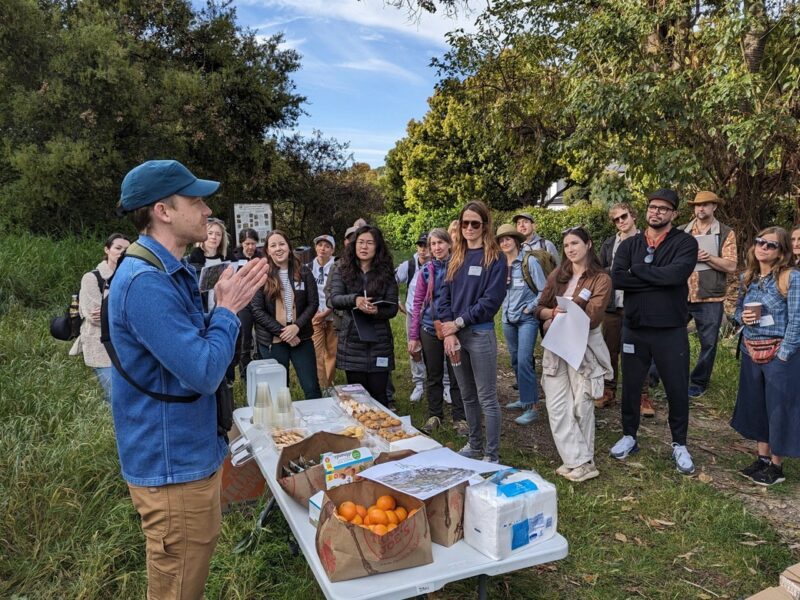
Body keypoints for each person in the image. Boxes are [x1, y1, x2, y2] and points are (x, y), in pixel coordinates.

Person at [109, 159, 268, 598]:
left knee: (186, 575)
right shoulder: (145, 282)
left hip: (186, 454)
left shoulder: (168, 272)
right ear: (163, 210)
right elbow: (201, 370)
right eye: (195, 200)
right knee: (178, 585)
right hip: (171, 466)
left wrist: (217, 305)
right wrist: (227, 310)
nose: (206, 210)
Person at [610, 188, 699, 475]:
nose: (656, 212)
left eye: (663, 208)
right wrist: (655, 278)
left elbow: (676, 275)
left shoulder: (685, 243)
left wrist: (639, 273)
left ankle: (679, 443)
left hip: (670, 329)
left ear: (673, 213)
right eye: (652, 207)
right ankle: (629, 435)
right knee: (631, 386)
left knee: (676, 388)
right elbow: (617, 278)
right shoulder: (629, 245)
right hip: (635, 328)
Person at [535, 226, 612, 481]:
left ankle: (583, 461)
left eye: (575, 243)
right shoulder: (558, 275)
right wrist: (552, 314)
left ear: (588, 244)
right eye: (567, 245)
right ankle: (576, 460)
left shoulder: (601, 279)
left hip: (584, 346)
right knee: (556, 404)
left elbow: (593, 317)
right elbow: (540, 308)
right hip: (556, 345)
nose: (570, 249)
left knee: (581, 403)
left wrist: (566, 310)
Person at [438, 200, 507, 463]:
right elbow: (443, 294)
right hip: (455, 335)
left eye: (474, 224)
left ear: (485, 226)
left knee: (486, 396)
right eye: (464, 223)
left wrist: (460, 322)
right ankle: (474, 444)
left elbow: (491, 301)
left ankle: (492, 454)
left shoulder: (495, 258)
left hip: (479, 334)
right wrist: (450, 330)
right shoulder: (456, 255)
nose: (468, 228)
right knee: (467, 394)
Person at [731, 227, 800, 486]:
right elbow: (738, 310)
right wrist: (742, 317)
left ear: (781, 251)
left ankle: (776, 466)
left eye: (770, 245)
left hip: (778, 353)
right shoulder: (747, 277)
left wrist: (784, 354)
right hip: (751, 349)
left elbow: (797, 320)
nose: (762, 247)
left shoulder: (791, 278)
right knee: (758, 405)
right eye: (759, 242)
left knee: (778, 409)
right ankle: (762, 458)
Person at [328, 225, 399, 407]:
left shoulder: (387, 272)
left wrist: (377, 311)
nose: (364, 247)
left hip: (379, 340)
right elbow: (335, 299)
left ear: (377, 247)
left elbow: (392, 308)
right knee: (357, 395)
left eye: (369, 243)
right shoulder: (342, 269)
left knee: (379, 392)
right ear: (353, 245)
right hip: (353, 340)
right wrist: (355, 300)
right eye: (360, 242)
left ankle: (383, 430)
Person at [408, 228, 467, 435]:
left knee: (457, 373)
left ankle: (460, 417)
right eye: (433, 244)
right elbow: (417, 303)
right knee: (433, 374)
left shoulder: (459, 267)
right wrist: (414, 335)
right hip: (429, 327)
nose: (437, 248)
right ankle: (435, 415)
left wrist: (456, 325)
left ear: (449, 244)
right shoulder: (426, 270)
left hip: (455, 328)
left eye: (440, 243)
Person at [251, 230, 321, 400]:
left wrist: (296, 327)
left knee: (311, 387)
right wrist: (283, 332)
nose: (278, 248)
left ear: (289, 247)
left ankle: (317, 423)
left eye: (281, 244)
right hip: (272, 341)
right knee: (277, 391)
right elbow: (257, 310)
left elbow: (313, 303)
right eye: (273, 245)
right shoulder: (261, 275)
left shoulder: (304, 272)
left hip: (301, 338)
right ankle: (280, 426)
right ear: (267, 251)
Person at [680, 191, 737, 398]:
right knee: (668, 335)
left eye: (705, 205)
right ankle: (657, 374)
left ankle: (698, 382)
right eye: (697, 205)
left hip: (710, 297)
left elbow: (731, 266)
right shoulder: (682, 231)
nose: (700, 209)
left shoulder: (725, 232)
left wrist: (708, 257)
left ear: (715, 207)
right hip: (681, 294)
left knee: (708, 343)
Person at [597, 203, 651, 413]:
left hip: (637, 305)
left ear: (633, 215)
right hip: (612, 305)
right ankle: (609, 391)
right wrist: (616, 270)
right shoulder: (610, 244)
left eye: (624, 216)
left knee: (639, 351)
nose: (621, 221)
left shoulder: (646, 241)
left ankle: (642, 395)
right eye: (616, 219)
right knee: (609, 351)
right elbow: (600, 272)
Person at [69, 233, 131, 401]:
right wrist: (127, 314)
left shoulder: (131, 276)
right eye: (117, 248)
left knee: (127, 395)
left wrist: (109, 310)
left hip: (126, 347)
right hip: (100, 345)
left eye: (126, 249)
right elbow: (95, 316)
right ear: (107, 249)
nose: (121, 252)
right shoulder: (92, 278)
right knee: (114, 396)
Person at [496, 223, 546, 426]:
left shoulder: (529, 262)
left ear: (516, 240)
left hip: (527, 319)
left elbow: (544, 290)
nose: (505, 242)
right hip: (508, 319)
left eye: (508, 238)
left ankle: (533, 407)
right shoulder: (500, 264)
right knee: (515, 359)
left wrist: (530, 307)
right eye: (501, 240)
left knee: (525, 360)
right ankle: (523, 398)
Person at [395, 233, 430, 403]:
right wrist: (396, 301)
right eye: (421, 245)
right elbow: (391, 280)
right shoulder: (408, 265)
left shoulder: (439, 264)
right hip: (412, 312)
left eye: (427, 245)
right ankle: (419, 383)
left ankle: (444, 383)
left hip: (432, 314)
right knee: (413, 348)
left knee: (437, 350)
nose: (424, 250)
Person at [232, 228, 263, 379]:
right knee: (245, 337)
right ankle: (245, 374)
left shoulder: (262, 256)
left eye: (253, 243)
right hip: (243, 303)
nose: (250, 247)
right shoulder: (235, 258)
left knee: (262, 335)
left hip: (260, 302)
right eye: (247, 244)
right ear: (241, 244)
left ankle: (262, 368)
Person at [309, 234, 338, 393]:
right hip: (315, 315)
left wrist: (328, 310)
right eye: (320, 245)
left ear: (332, 250)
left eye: (327, 246)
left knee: (332, 352)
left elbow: (339, 291)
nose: (323, 248)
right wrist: (314, 312)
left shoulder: (338, 267)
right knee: (317, 352)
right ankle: (322, 386)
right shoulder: (308, 267)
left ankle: (329, 384)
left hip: (333, 315)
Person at [188, 217, 235, 310]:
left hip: (225, 309)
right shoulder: (192, 261)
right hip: (201, 311)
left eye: (218, 234)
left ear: (222, 238)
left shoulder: (229, 259)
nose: (214, 237)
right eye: (210, 233)